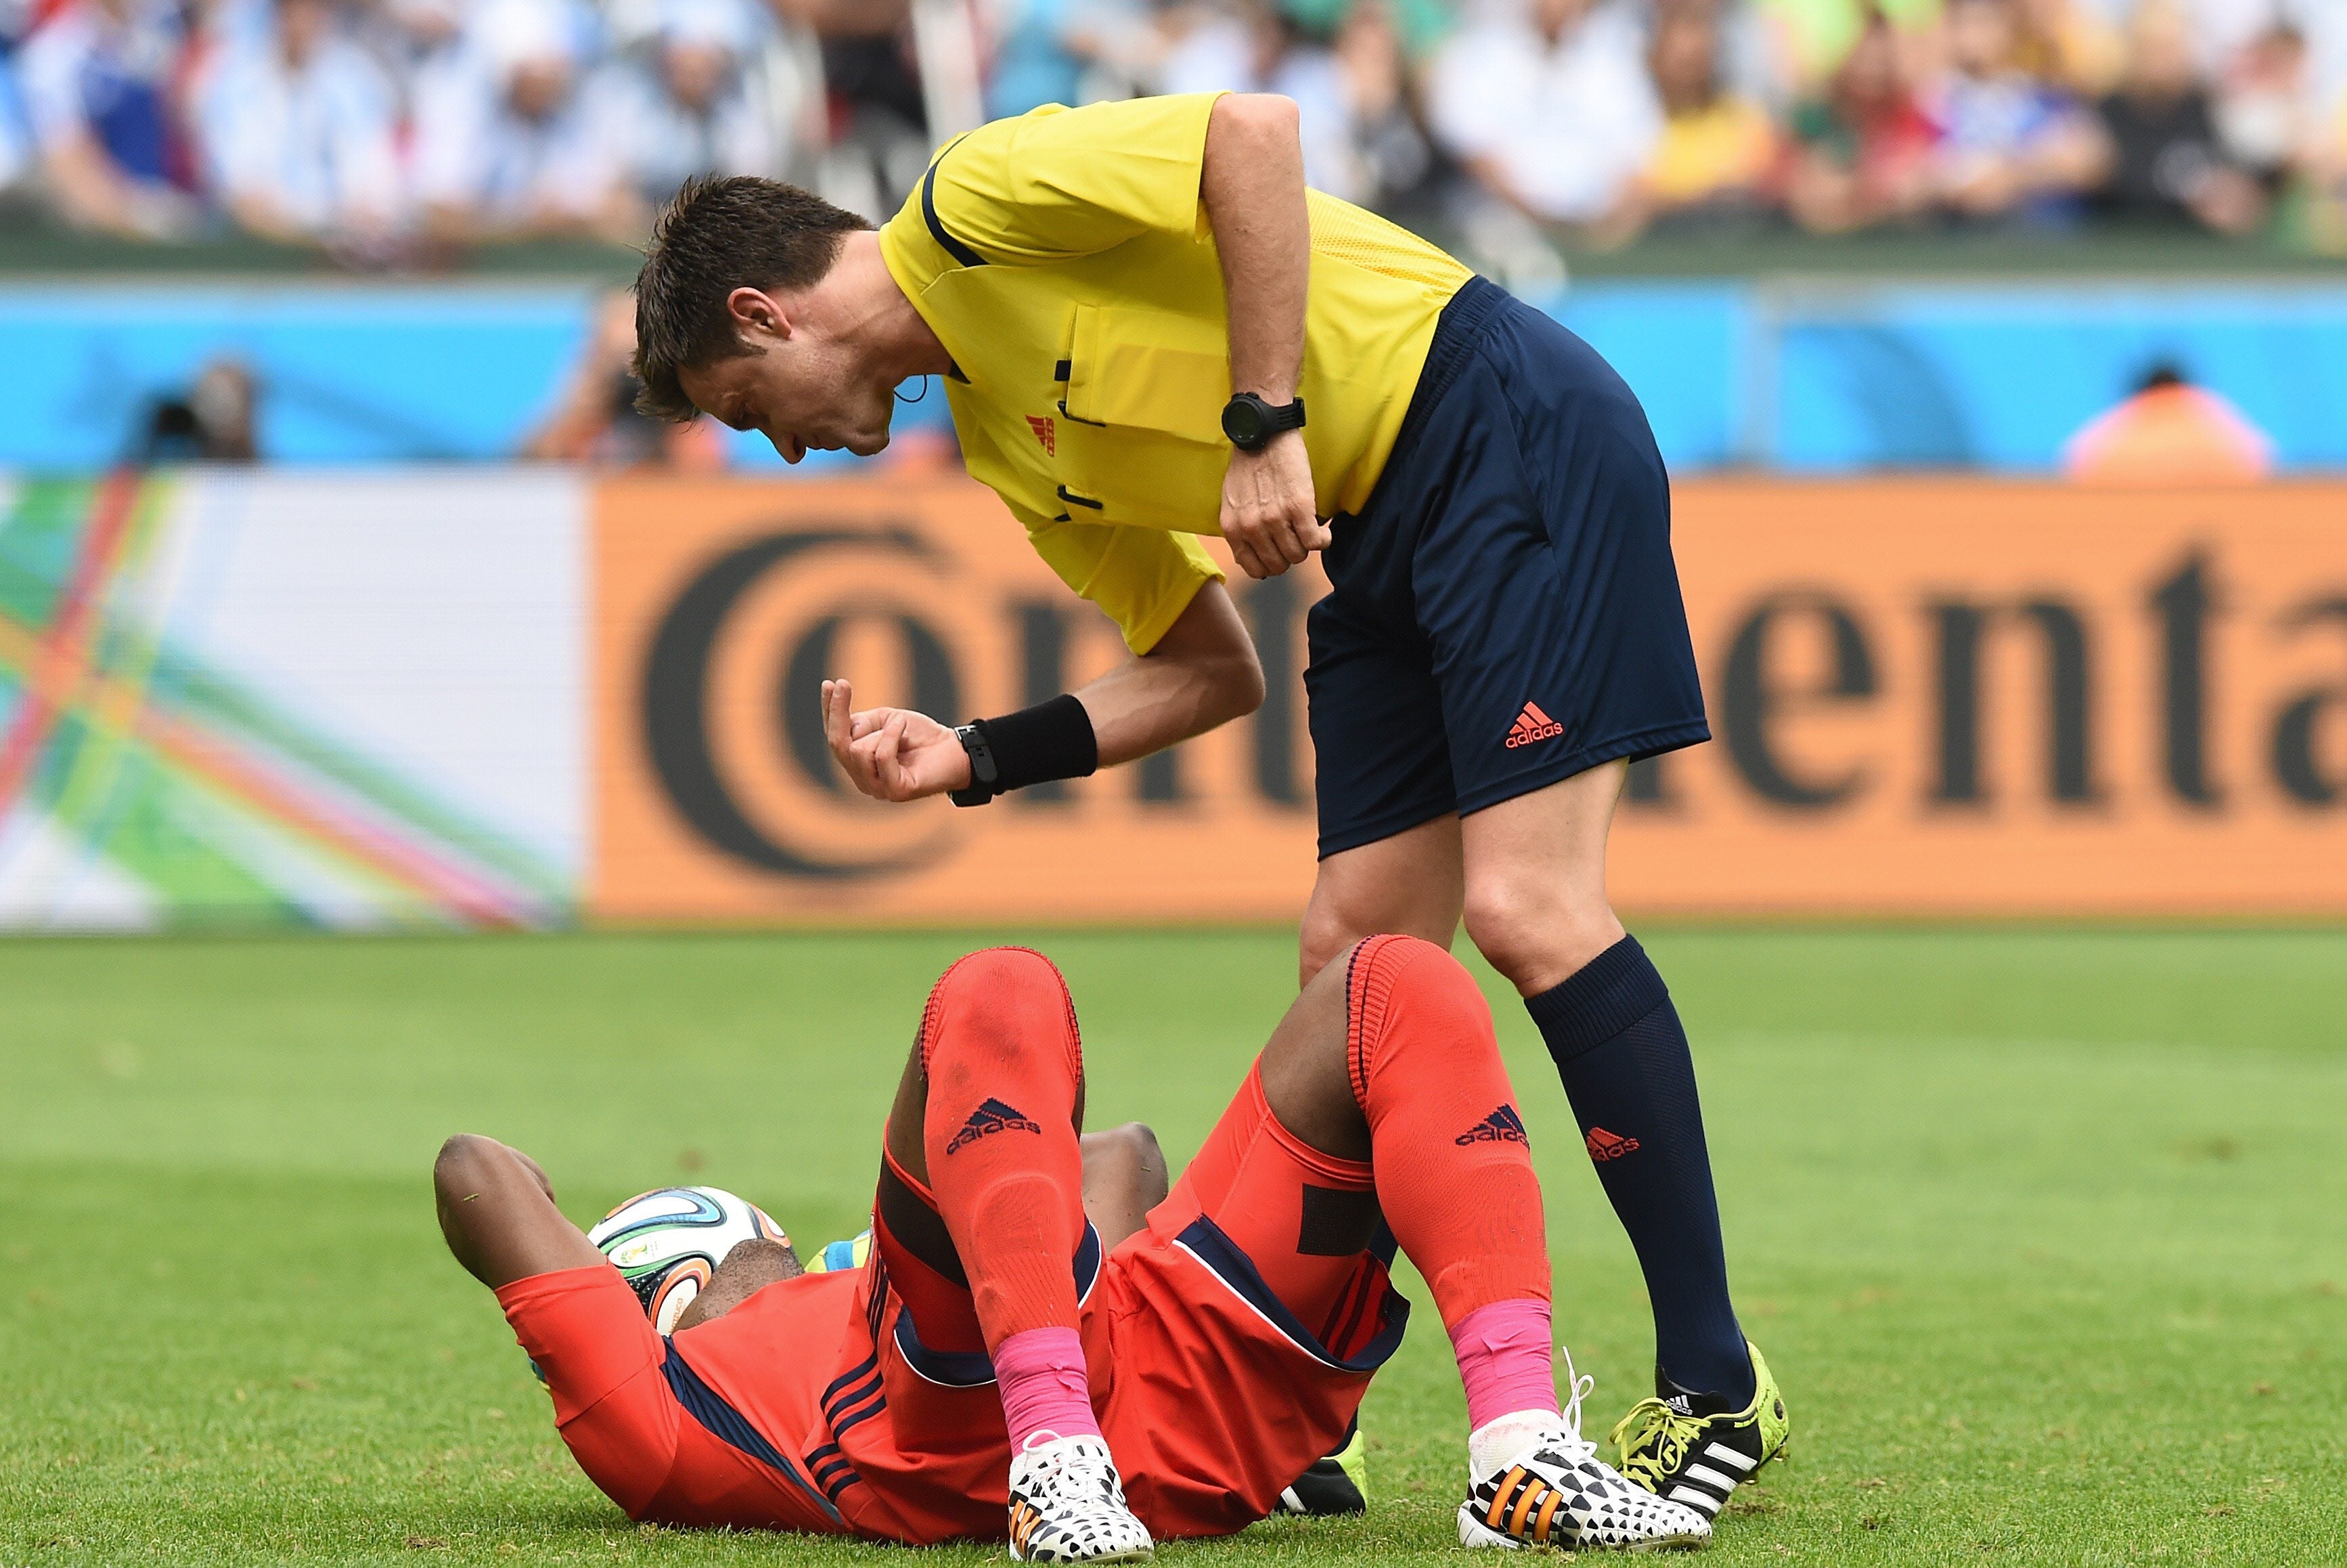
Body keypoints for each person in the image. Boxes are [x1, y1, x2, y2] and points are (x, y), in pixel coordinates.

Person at [625, 89, 1789, 1520]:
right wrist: (980, 754)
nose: (787, 449)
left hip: (1497, 416)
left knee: (1526, 904)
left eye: (754, 414)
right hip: (1375, 522)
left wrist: (1262, 422)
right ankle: (1306, 1410)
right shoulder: (1004, 439)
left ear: (765, 314)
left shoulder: (976, 201)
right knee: (1353, 963)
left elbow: (1255, 132)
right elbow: (1201, 670)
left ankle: (1714, 1381)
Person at [434, 938, 1721, 1556]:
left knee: (1395, 985)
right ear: (682, 1286)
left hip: (1167, 1396)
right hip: (971, 1421)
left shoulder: (808, 1329)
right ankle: (1053, 1460)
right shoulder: (661, 1408)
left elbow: (1127, 1154)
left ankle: (1516, 1452)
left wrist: (1002, 1226)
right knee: (996, 985)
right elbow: (478, 1173)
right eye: (749, 1235)